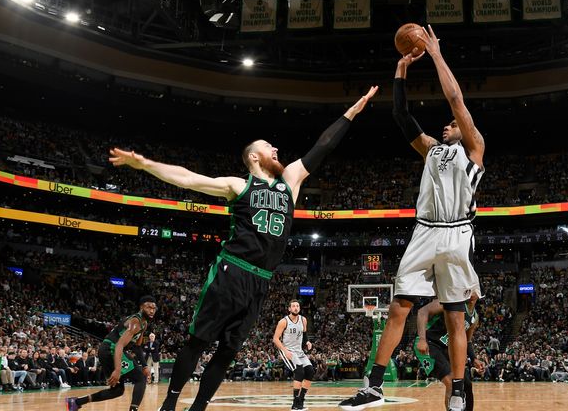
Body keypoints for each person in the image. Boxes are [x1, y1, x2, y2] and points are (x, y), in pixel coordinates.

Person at [108, 87, 377, 411]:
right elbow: (190, 179)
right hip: (231, 271)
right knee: (198, 342)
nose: (276, 148)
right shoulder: (239, 184)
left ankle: (198, 408)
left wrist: (352, 112)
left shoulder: (290, 181)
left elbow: (323, 145)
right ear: (254, 157)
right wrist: (145, 164)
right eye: (268, 147)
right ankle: (171, 402)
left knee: (227, 351)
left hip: (260, 281)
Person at [340, 25, 483, 411]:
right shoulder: (432, 150)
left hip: (456, 233)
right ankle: (372, 386)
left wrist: (435, 53)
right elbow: (401, 115)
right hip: (424, 231)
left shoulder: (473, 148)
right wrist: (401, 68)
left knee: (454, 318)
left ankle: (456, 389)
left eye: (451, 124)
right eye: (447, 126)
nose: (445, 126)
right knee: (399, 306)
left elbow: (455, 97)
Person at [66, 296, 157, 411]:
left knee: (117, 391)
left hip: (107, 350)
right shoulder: (135, 321)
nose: (152, 310)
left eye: (154, 308)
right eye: (149, 307)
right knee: (140, 379)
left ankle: (76, 402)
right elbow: (119, 345)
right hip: (111, 349)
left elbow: (137, 347)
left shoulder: (144, 324)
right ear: (141, 307)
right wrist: (118, 369)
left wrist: (144, 365)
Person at [414, 294, 482, 411]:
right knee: (452, 382)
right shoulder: (450, 301)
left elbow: (467, 340)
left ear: (479, 294)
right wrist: (422, 339)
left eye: (473, 289)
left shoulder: (474, 318)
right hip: (429, 345)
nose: (470, 291)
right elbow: (422, 312)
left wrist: (474, 358)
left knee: (466, 384)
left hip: (448, 349)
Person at [273, 300, 314, 411]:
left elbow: (304, 335)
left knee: (310, 371)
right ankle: (295, 403)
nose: (295, 308)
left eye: (297, 306)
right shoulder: (283, 321)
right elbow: (275, 339)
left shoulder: (303, 320)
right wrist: (285, 351)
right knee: (299, 371)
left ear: (299, 308)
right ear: (289, 309)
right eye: (293, 306)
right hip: (288, 350)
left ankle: (301, 399)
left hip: (299, 351)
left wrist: (307, 342)